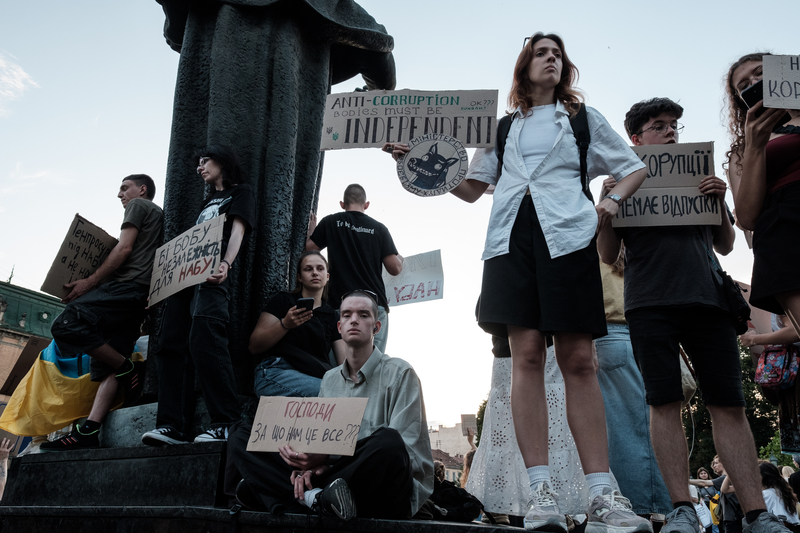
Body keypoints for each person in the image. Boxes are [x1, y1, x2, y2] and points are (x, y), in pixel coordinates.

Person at [389, 32, 649, 533]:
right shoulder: (503, 129)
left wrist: (611, 203)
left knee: (579, 359)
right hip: (510, 243)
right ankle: (541, 492)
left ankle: (601, 494)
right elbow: (469, 189)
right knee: (526, 355)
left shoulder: (583, 120)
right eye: (541, 53)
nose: (551, 59)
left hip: (568, 240)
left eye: (557, 54)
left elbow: (632, 167)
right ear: (523, 67)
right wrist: (411, 159)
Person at [600, 96, 789, 533]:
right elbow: (609, 256)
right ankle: (682, 508)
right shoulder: (621, 180)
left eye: (673, 126)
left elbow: (724, 245)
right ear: (636, 138)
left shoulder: (699, 176)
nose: (670, 132)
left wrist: (720, 201)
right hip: (648, 305)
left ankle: (758, 514)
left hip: (706, 300)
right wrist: (606, 210)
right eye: (659, 126)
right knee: (662, 403)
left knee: (729, 406)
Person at [227, 291, 434, 520]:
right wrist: (304, 466)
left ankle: (280, 493)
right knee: (241, 433)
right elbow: (320, 440)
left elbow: (406, 454)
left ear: (376, 327)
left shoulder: (401, 372)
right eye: (347, 315)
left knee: (389, 442)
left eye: (363, 315)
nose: (354, 320)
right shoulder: (330, 379)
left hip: (380, 483)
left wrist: (326, 458)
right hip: (332, 478)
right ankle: (316, 498)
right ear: (339, 327)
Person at [143, 145, 255, 446]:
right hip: (184, 280)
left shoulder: (240, 193)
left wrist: (226, 264)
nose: (199, 167)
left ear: (223, 161)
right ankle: (171, 426)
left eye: (205, 161)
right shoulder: (206, 201)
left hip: (212, 275)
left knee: (205, 337)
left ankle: (226, 422)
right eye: (199, 162)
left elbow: (238, 231)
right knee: (169, 343)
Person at [42, 174, 163, 451]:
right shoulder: (158, 216)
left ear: (142, 189)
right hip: (138, 297)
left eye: (124, 188)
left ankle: (126, 367)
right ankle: (89, 431)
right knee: (111, 361)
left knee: (65, 324)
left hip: (124, 289)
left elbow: (124, 248)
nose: (120, 195)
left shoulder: (139, 206)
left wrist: (89, 282)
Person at [724, 53, 800, 338]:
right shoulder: (744, 150)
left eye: (760, 73)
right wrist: (755, 146)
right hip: (786, 238)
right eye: (744, 85)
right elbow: (746, 217)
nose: (755, 83)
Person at [595, 247, 672, 517]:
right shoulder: (638, 251)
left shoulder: (592, 246)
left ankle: (624, 507)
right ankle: (648, 507)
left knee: (613, 434)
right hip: (633, 334)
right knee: (639, 431)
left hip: (601, 338)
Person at [306, 184, 402, 355]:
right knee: (371, 369)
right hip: (372, 306)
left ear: (342, 204)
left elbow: (309, 250)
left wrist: (312, 233)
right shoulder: (379, 229)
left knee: (339, 370)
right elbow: (395, 268)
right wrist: (398, 257)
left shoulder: (331, 221)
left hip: (340, 305)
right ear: (366, 205)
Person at [249, 250, 345, 398]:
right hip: (276, 373)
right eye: (308, 269)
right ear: (299, 277)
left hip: (317, 376)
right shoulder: (284, 301)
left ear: (327, 277)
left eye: (320, 268)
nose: (314, 273)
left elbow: (344, 361)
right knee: (332, 395)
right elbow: (254, 346)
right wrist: (285, 325)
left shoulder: (332, 316)